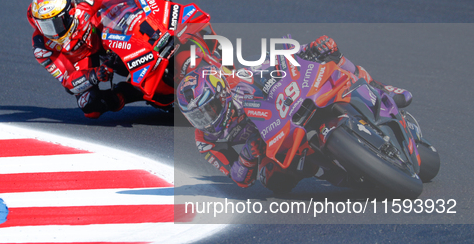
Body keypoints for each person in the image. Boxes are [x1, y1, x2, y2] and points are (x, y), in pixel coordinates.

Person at [177, 36, 413, 192]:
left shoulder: (234, 80)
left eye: (208, 110)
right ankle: (330, 170)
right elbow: (238, 179)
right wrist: (247, 157)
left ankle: (378, 87)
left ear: (222, 94)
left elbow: (270, 65)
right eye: (197, 117)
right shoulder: (205, 141)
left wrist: (308, 51)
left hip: (284, 112)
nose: (205, 120)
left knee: (329, 53)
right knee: (274, 182)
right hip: (270, 144)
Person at [27, 0, 178, 118]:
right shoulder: (42, 47)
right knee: (89, 106)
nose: (51, 32)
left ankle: (171, 33)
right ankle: (130, 93)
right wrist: (94, 75)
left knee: (133, 16)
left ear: (70, 12)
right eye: (44, 26)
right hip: (85, 60)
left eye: (56, 23)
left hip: (104, 31)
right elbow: (68, 81)